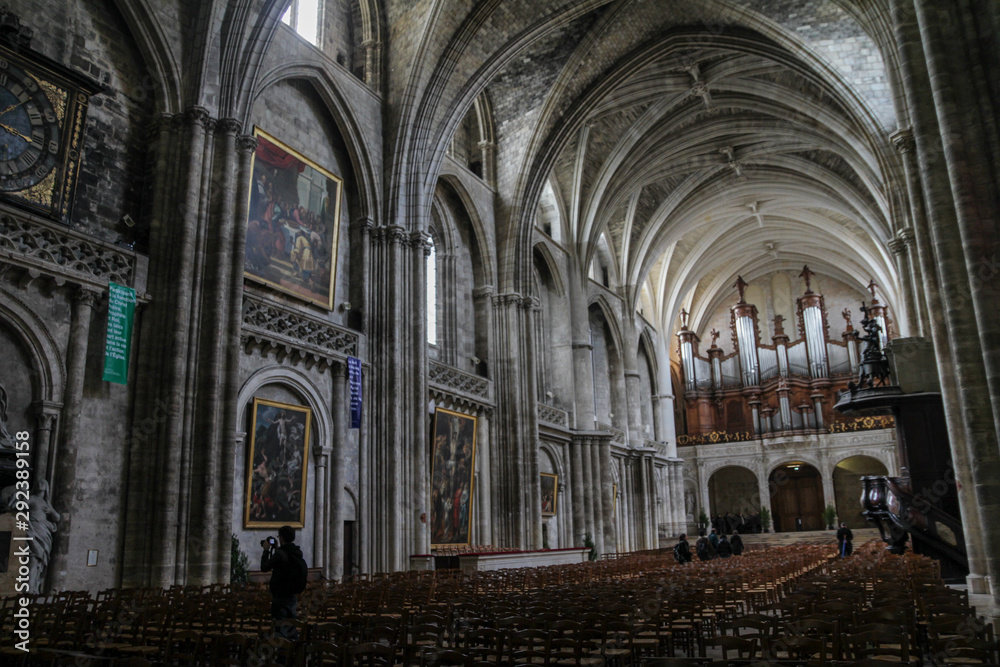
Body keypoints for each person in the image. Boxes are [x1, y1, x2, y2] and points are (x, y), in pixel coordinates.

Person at [261, 525, 306, 640]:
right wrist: (277, 549)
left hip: (280, 597)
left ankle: (282, 657)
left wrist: (266, 551)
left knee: (280, 631)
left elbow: (264, 567)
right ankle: (293, 654)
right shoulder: (296, 552)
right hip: (292, 596)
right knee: (291, 628)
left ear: (281, 538)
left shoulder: (280, 554)